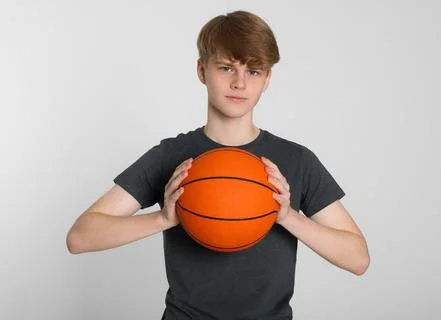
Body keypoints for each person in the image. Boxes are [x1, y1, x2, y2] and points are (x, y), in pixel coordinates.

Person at [66, 10, 370, 320]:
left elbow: (357, 258)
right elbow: (80, 237)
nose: (239, 83)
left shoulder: (296, 160)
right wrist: (163, 218)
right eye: (226, 68)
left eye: (253, 71)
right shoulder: (172, 156)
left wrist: (289, 217)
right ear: (201, 70)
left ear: (267, 79)